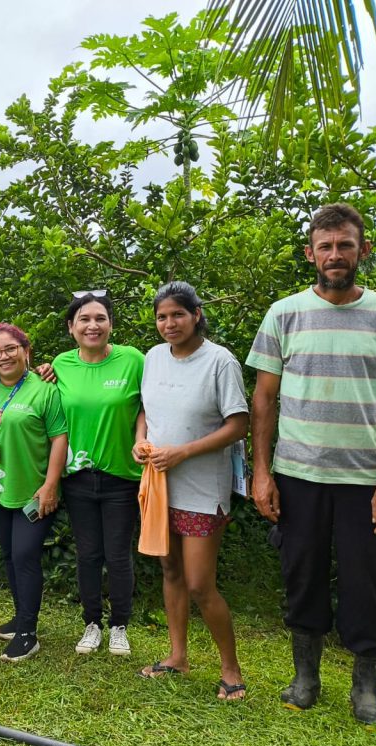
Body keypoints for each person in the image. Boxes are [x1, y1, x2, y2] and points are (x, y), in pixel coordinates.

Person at [247, 203, 376, 730]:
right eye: (325, 246)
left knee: (368, 582)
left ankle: (365, 691)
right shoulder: (284, 314)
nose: (335, 255)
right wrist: (261, 473)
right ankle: (306, 680)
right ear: (310, 254)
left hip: (363, 481)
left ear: (363, 250)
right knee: (300, 576)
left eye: (345, 244)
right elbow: (263, 400)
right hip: (297, 476)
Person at [132, 282, 249, 700]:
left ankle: (231, 668)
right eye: (162, 316)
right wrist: (140, 439)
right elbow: (145, 410)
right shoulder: (153, 358)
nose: (169, 324)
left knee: (200, 583)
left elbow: (237, 425)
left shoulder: (220, 361)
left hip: (202, 488)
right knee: (171, 571)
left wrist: (182, 452)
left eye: (177, 314)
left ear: (196, 314)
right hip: (160, 484)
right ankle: (177, 655)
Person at [52, 291, 145, 656]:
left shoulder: (133, 360)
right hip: (77, 476)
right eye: (84, 320)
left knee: (118, 554)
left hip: (121, 475)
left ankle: (119, 625)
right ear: (71, 327)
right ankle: (92, 623)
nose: (93, 325)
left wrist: (141, 438)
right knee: (88, 554)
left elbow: (146, 407)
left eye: (100, 318)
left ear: (110, 324)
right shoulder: (60, 365)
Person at [0, 324, 67, 662]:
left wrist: (50, 485)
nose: (3, 356)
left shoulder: (45, 390)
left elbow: (60, 437)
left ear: (26, 350)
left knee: (26, 556)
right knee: (10, 556)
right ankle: (20, 616)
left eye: (10, 349)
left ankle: (29, 633)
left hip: (34, 490)